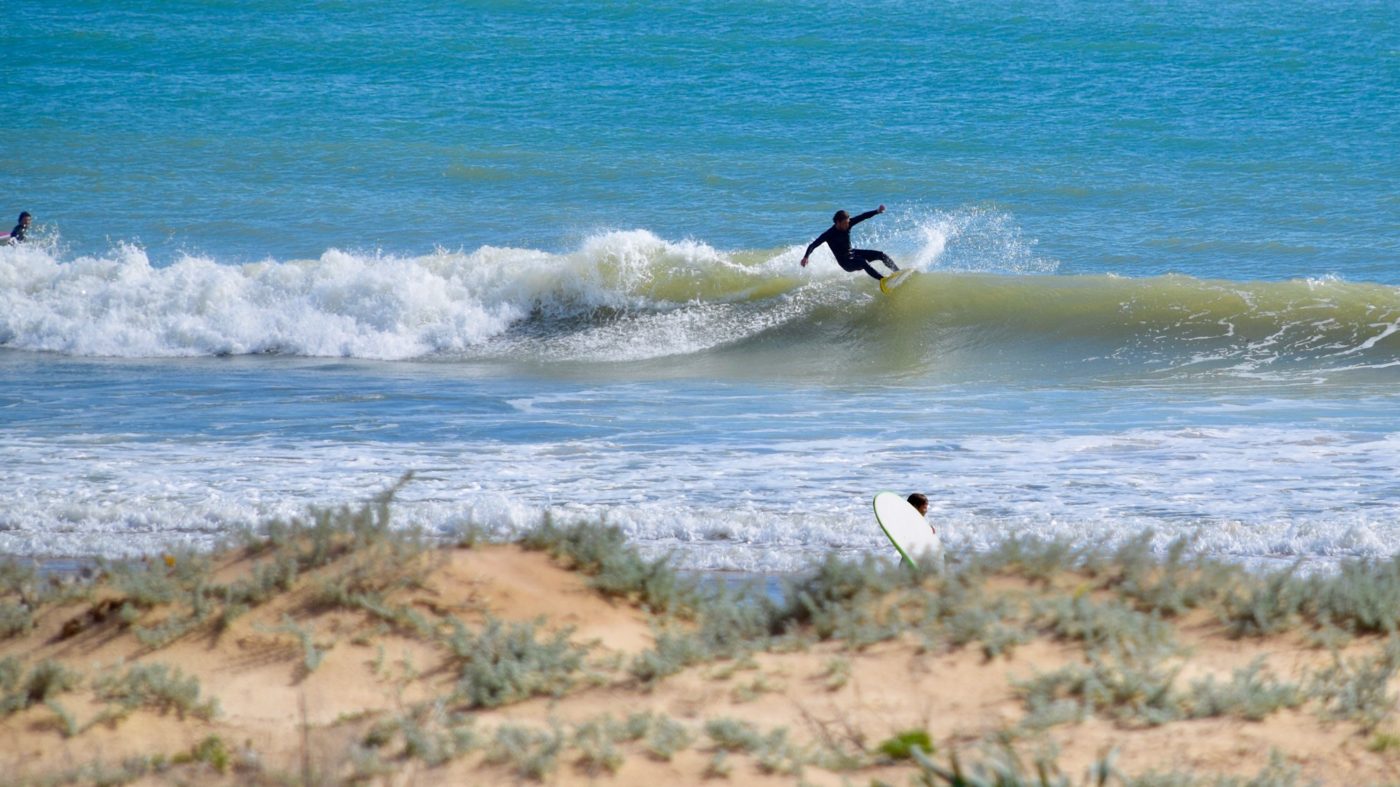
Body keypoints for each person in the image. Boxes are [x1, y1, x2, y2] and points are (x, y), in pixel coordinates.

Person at [800, 205, 899, 281]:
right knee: (863, 262)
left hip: (852, 253)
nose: (847, 225)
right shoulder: (829, 234)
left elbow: (863, 216)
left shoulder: (848, 223)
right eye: (845, 223)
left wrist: (877, 211)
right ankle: (883, 280)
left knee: (881, 255)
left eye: (848, 222)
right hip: (845, 262)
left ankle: (898, 272)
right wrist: (806, 257)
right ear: (837, 222)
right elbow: (813, 245)